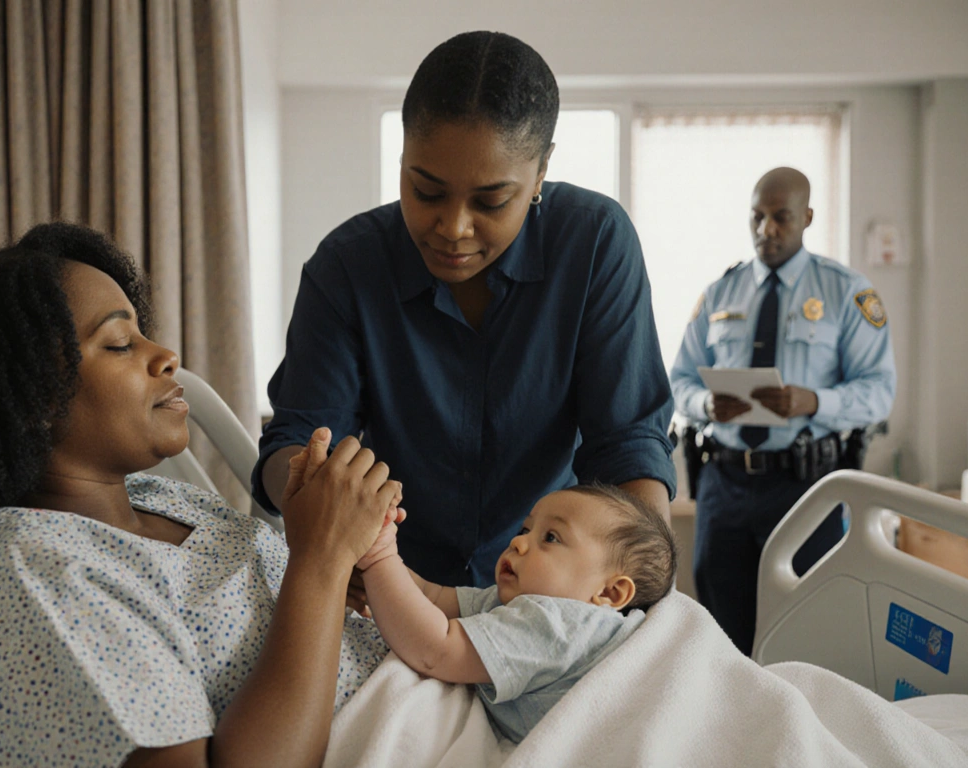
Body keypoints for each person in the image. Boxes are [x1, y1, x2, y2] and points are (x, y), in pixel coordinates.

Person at [0, 222, 404, 768]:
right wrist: (319, 564)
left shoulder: (166, 501)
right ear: (25, 401)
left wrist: (344, 564)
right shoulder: (32, 577)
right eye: (118, 344)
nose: (166, 355)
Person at [253, 30, 676, 593]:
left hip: (549, 599)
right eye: (426, 191)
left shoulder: (594, 242)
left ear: (541, 172)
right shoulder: (346, 267)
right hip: (393, 590)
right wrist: (320, 499)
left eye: (491, 201)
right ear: (402, 155)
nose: (453, 229)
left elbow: (628, 446)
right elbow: (299, 438)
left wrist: (640, 605)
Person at [669, 167, 896, 656]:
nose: (765, 230)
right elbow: (678, 382)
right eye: (757, 217)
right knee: (719, 637)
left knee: (807, 634)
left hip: (805, 486)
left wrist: (814, 401)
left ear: (807, 217)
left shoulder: (846, 292)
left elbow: (880, 392)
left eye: (781, 218)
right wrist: (705, 404)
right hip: (724, 484)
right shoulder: (719, 292)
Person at [356, 480, 677, 743]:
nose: (518, 544)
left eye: (550, 537)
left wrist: (378, 557)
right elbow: (432, 596)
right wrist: (381, 543)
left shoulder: (560, 624)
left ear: (609, 592)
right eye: (525, 530)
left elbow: (436, 650)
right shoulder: (518, 602)